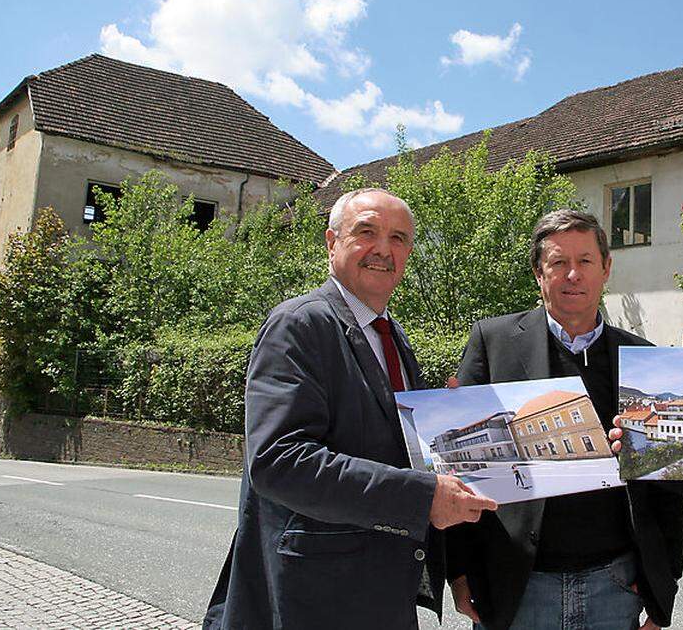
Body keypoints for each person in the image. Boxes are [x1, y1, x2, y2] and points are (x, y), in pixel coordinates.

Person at [203, 188, 496, 630]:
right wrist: (423, 496)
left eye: (399, 238)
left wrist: (447, 422)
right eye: (367, 232)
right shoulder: (299, 324)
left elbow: (390, 448)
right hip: (313, 598)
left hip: (379, 595)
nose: (383, 249)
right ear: (331, 242)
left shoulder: (391, 335)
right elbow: (278, 461)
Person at [447, 209, 683, 630]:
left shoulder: (642, 357)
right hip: (517, 585)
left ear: (606, 268)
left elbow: (667, 488)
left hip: (614, 584)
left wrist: (663, 584)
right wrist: (459, 569)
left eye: (585, 261)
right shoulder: (493, 342)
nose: (572, 274)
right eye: (558, 263)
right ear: (539, 274)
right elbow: (460, 471)